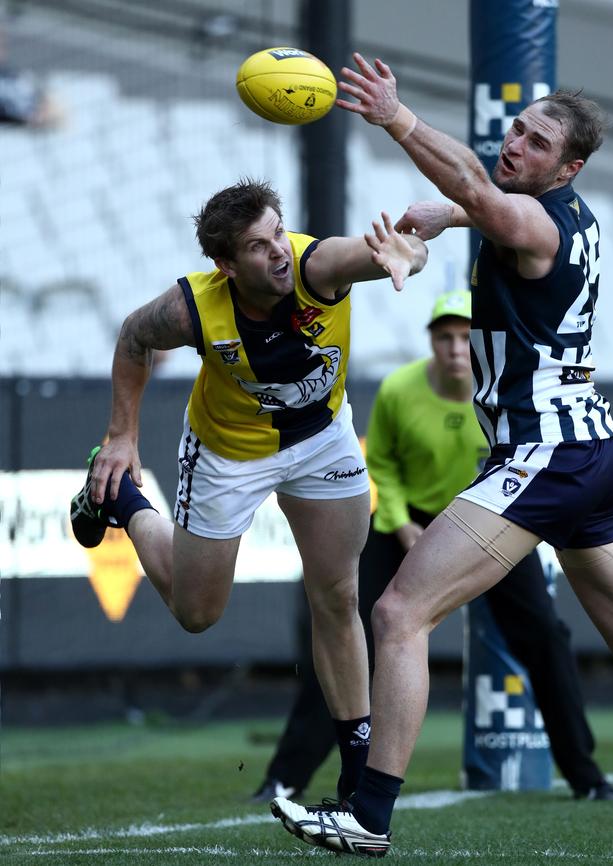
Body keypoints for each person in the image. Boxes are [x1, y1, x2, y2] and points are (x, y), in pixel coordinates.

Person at [271, 55, 613, 857]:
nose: (517, 145)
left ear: (570, 168)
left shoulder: (534, 220)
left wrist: (396, 119)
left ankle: (367, 816)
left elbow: (485, 194)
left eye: (537, 142)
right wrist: (450, 218)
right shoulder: (555, 217)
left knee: (398, 614)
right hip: (590, 450)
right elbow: (485, 204)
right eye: (516, 129)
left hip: (545, 450)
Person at [69, 178, 427, 803]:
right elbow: (133, 337)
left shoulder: (318, 264)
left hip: (321, 441)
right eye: (258, 247)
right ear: (226, 265)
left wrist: (408, 257)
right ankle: (121, 494)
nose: (278, 253)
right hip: (228, 453)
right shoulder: (193, 308)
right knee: (196, 613)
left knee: (339, 596)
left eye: (277, 232)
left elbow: (396, 249)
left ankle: (355, 772)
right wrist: (121, 435)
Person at [254, 289, 613, 805]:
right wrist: (403, 524)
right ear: (431, 342)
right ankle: (284, 776)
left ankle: (587, 776)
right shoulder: (401, 390)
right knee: (347, 635)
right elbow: (379, 462)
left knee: (545, 636)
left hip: (492, 520)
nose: (454, 348)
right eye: (443, 336)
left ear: (480, 342)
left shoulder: (507, 391)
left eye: (463, 337)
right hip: (406, 524)